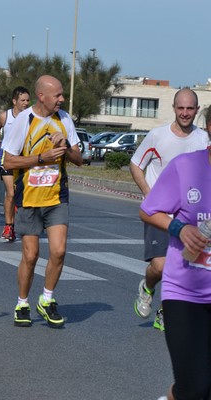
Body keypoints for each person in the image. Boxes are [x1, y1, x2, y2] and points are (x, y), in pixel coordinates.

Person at [1, 75, 83, 328]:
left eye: (62, 94)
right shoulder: (24, 120)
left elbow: (79, 159)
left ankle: (46, 299)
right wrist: (41, 159)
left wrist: (66, 145)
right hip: (29, 197)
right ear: (42, 96)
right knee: (31, 255)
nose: (62, 99)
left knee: (58, 251)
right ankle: (22, 302)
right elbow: (8, 161)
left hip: (57, 196)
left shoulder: (64, 119)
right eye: (57, 95)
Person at [131, 88, 209, 331]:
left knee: (186, 264)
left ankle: (167, 309)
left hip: (193, 215)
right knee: (161, 266)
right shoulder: (157, 136)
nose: (185, 113)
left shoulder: (203, 139)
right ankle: (148, 286)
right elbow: (136, 164)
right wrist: (149, 193)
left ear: (196, 111)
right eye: (180, 108)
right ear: (174, 109)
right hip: (161, 213)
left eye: (190, 109)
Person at [139, 147, 211, 400]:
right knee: (195, 388)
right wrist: (179, 228)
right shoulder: (186, 166)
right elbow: (148, 210)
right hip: (185, 293)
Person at [0, 86, 31, 242]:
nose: (26, 103)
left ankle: (25, 221)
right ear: (15, 101)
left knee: (24, 194)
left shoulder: (32, 117)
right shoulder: (4, 116)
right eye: (23, 100)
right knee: (11, 193)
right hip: (7, 159)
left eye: (28, 100)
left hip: (25, 159)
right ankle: (9, 226)